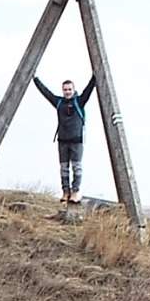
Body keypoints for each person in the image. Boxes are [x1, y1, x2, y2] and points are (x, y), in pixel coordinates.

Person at [33, 73, 96, 205]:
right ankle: (66, 192)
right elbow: (46, 93)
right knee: (64, 168)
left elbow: (89, 89)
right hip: (62, 140)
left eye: (69, 89)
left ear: (73, 90)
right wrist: (35, 79)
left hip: (77, 141)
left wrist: (95, 76)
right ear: (63, 90)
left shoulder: (79, 101)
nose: (67, 92)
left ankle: (75, 191)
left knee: (77, 167)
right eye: (65, 90)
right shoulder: (59, 102)